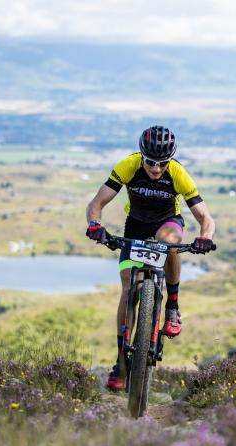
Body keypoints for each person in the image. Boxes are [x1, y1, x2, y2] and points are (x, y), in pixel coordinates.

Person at [85, 125, 215, 391]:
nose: (156, 169)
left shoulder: (178, 173)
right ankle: (121, 361)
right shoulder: (129, 165)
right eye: (151, 162)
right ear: (141, 155)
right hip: (136, 225)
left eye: (162, 163)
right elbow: (96, 204)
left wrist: (206, 236)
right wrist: (95, 225)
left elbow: (205, 217)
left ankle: (172, 307)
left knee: (169, 242)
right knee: (127, 286)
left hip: (168, 222)